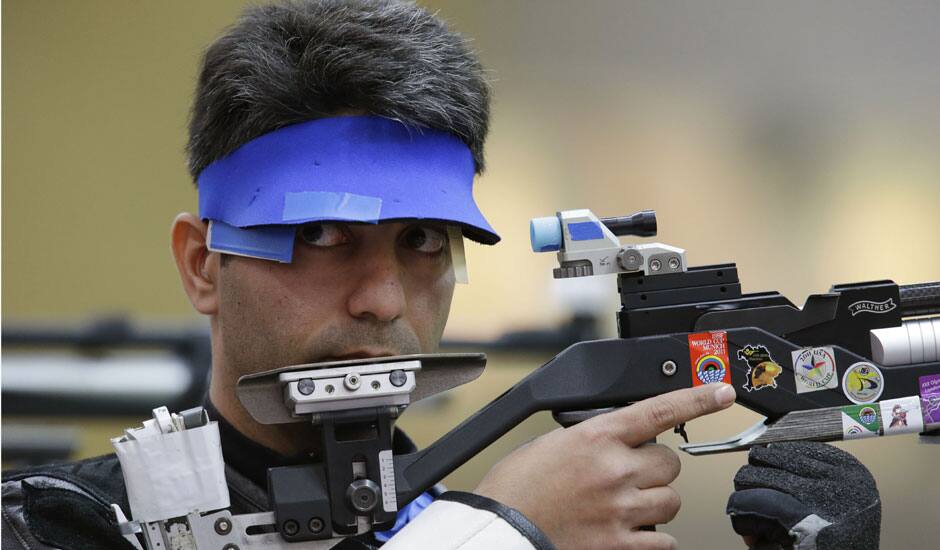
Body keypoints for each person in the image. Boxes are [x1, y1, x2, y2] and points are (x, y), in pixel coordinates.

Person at [1, 2, 880, 549]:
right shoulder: (53, 524)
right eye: (318, 236)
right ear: (203, 264)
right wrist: (501, 533)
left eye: (422, 242)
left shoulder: (517, 523)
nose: (383, 298)